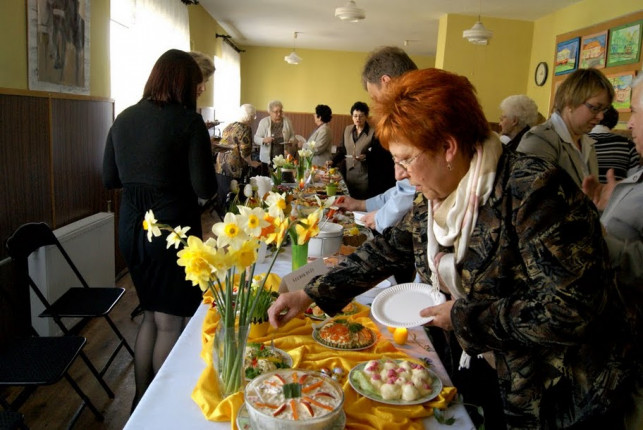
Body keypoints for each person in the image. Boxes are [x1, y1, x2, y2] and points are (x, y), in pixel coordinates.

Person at [269, 68, 634, 429]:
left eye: (406, 159)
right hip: (482, 366)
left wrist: (463, 317)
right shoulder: (437, 194)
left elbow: (572, 308)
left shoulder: (535, 191)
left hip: (558, 392)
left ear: (448, 147)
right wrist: (311, 293)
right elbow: (388, 250)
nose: (398, 174)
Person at [102, 49, 217, 410]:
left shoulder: (123, 118)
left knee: (151, 312)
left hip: (131, 229)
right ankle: (158, 405)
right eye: (195, 83)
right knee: (169, 321)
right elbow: (205, 188)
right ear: (183, 83)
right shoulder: (187, 122)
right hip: (171, 231)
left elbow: (110, 178)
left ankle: (140, 397)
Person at [517, 68, 614, 188]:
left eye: (604, 109)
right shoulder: (539, 140)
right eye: (595, 108)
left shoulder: (588, 143)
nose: (601, 116)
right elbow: (531, 198)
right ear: (570, 101)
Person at [333, 101, 393, 199]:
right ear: (352, 116)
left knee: (362, 202)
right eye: (355, 116)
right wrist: (333, 160)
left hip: (365, 176)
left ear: (366, 117)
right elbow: (343, 150)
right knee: (349, 199)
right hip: (349, 175)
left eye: (361, 116)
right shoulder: (347, 130)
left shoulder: (373, 132)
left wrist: (365, 156)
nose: (358, 119)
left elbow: (377, 153)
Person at [214, 104, 261, 213]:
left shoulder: (230, 126)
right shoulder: (245, 128)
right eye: (253, 116)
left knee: (222, 195)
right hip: (233, 167)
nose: (253, 119)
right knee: (233, 197)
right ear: (249, 116)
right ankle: (232, 216)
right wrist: (251, 162)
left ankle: (222, 217)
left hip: (220, 164)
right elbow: (245, 151)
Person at [588, 105, 640, 183]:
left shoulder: (578, 142)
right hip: (618, 193)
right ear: (614, 122)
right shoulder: (627, 144)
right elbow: (635, 179)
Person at [253, 100, 296, 172]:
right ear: (270, 112)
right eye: (276, 112)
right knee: (267, 181)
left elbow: (292, 135)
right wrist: (264, 140)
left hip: (284, 159)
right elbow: (256, 138)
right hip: (267, 160)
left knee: (282, 181)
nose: (279, 114)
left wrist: (291, 140)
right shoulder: (264, 122)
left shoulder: (287, 121)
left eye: (280, 111)